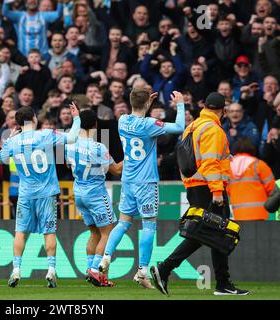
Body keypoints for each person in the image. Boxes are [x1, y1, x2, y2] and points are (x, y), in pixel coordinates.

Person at [150, 92, 249, 296]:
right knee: (205, 232)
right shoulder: (214, 129)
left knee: (216, 232)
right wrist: (217, 191)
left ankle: (223, 283)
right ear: (222, 110)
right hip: (209, 187)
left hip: (195, 185)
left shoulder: (193, 126)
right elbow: (211, 162)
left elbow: (188, 159)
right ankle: (165, 268)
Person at [99, 88, 185, 289]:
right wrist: (180, 104)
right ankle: (142, 272)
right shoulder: (148, 124)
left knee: (123, 223)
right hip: (146, 182)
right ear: (148, 104)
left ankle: (106, 257)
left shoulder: (122, 120)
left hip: (128, 180)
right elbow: (180, 127)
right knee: (148, 225)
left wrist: (146, 104)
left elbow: (138, 109)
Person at [0, 102, 81, 288]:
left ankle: (16, 270)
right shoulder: (46, 134)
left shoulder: (13, 141)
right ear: (34, 118)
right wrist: (77, 118)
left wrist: (9, 139)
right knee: (48, 232)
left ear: (17, 124)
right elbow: (73, 137)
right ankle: (51, 270)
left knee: (20, 232)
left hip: (25, 194)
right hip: (47, 193)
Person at [65, 109, 123, 287]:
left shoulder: (69, 144)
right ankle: (96, 271)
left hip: (79, 192)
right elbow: (116, 170)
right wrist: (133, 155)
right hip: (96, 193)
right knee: (107, 232)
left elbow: (68, 165)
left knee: (94, 233)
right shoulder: (99, 147)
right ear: (95, 125)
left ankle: (90, 269)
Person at [228, 138, 275, 221]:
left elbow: (227, 190)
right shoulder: (259, 165)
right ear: (252, 149)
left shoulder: (228, 167)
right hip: (259, 214)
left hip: (238, 214)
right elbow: (272, 189)